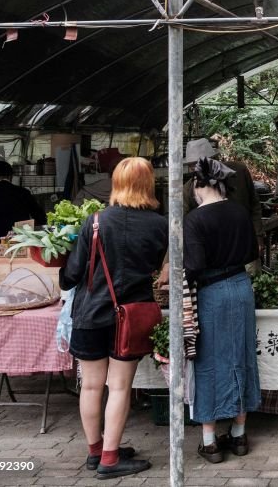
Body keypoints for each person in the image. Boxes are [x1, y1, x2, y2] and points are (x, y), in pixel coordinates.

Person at [59, 158, 167, 479]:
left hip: (89, 315)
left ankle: (97, 452)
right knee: (119, 387)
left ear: (116, 184)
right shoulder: (159, 225)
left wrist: (64, 275)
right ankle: (110, 459)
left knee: (91, 386)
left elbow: (71, 276)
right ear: (149, 184)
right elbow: (157, 268)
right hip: (129, 316)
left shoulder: (93, 222)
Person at [181, 157, 261, 463]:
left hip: (211, 292)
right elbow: (253, 251)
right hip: (242, 288)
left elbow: (195, 266)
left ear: (201, 186)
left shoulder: (194, 221)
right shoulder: (239, 211)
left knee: (209, 361)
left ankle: (210, 441)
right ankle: (239, 436)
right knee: (241, 356)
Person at [181, 139, 263, 262]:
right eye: (193, 165)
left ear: (214, 160)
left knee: (253, 278)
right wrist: (168, 262)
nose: (197, 169)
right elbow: (180, 224)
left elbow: (254, 204)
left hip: (245, 243)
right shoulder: (189, 189)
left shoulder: (238, 172)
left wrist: (258, 237)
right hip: (216, 254)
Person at [0, 161, 46, 243]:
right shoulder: (23, 193)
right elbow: (41, 218)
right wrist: (30, 234)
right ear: (11, 176)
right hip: (21, 244)